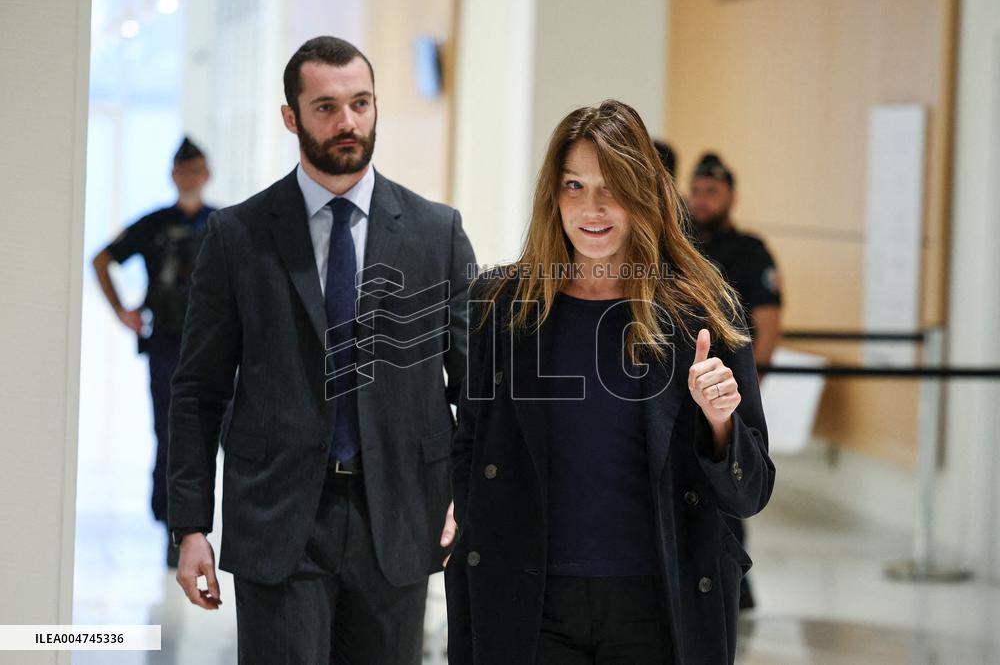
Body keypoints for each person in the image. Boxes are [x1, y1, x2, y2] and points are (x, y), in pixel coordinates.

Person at [167, 36, 476, 664]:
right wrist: (191, 525)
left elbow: (476, 385)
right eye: (327, 107)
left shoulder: (435, 233)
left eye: (361, 103)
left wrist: (469, 495)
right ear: (292, 117)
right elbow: (199, 389)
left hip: (398, 513)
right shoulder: (236, 236)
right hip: (279, 517)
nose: (348, 122)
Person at [446, 100, 775, 665]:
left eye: (612, 187)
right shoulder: (501, 304)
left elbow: (751, 492)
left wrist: (720, 423)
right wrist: (464, 522)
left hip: (659, 604)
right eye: (574, 186)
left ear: (644, 194)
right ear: (553, 196)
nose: (591, 208)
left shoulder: (702, 311)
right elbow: (471, 442)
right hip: (527, 601)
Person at [92, 136, 214, 568]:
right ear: (173, 175)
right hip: (166, 346)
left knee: (220, 436)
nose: (189, 178)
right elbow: (102, 260)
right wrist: (121, 311)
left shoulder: (223, 224)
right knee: (170, 435)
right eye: (183, 171)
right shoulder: (154, 224)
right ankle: (175, 528)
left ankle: (213, 525)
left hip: (215, 350)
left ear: (207, 174)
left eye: (195, 170)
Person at [687, 152, 783, 609]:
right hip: (688, 389)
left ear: (731, 197)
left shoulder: (749, 251)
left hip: (732, 388)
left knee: (733, 480)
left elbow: (768, 320)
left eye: (712, 192)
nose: (702, 200)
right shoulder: (682, 246)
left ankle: (736, 582)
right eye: (696, 191)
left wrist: (749, 385)